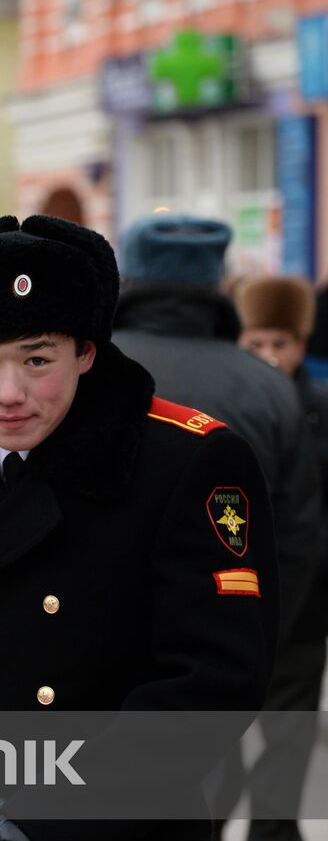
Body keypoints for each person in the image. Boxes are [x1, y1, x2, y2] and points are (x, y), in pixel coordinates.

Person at [0, 214, 280, 841]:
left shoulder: (186, 460)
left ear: (86, 351)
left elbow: (211, 679)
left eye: (37, 359)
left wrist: (63, 821)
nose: (8, 392)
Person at [112, 214, 319, 675]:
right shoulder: (268, 386)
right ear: (217, 282)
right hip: (217, 647)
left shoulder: (86, 371)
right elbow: (295, 534)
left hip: (94, 654)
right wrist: (259, 640)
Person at [228, 275, 328, 841]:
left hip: (304, 600)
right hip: (232, 600)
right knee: (215, 733)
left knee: (287, 736)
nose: (270, 355)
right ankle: (200, 836)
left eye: (282, 343)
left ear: (301, 344)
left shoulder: (318, 408)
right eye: (258, 341)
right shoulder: (225, 407)